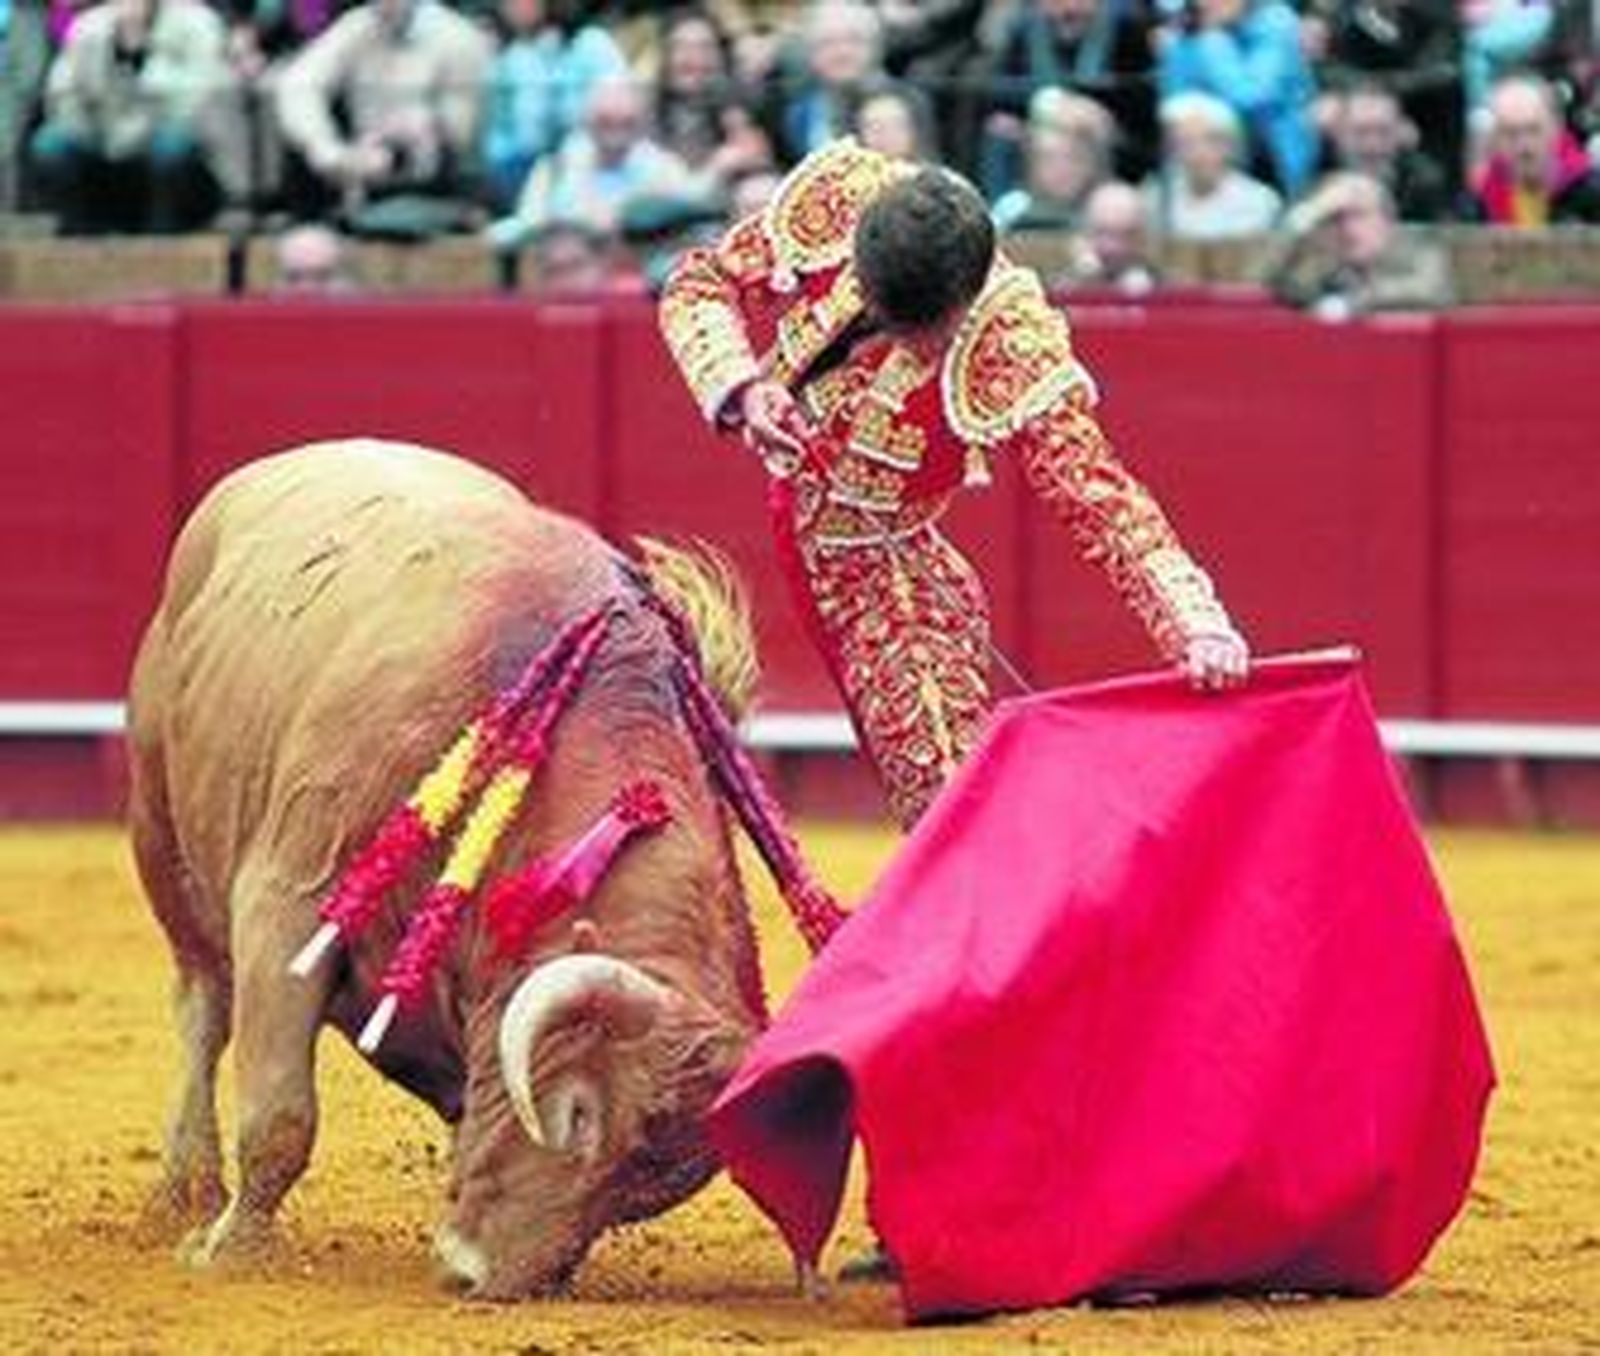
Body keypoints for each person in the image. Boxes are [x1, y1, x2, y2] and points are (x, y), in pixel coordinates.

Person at [659, 138, 1249, 831]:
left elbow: (1101, 496)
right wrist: (747, 388)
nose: (902, 345)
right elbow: (700, 281)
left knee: (948, 804)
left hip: (891, 572)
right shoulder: (843, 193)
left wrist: (1197, 625)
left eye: (924, 335)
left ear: (967, 302)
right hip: (819, 537)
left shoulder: (1012, 339)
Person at [274, 0, 492, 216]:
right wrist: (322, 145)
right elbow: (298, 84)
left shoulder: (460, 37)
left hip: (437, 183)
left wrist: (405, 141)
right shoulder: (358, 24)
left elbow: (459, 136)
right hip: (365, 174)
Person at [28, 0, 228, 232]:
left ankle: (164, 233)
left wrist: (141, 61)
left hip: (168, 152)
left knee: (173, 147)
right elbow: (61, 95)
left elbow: (204, 98)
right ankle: (80, 231)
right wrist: (113, 56)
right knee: (50, 144)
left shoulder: (197, 22)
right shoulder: (89, 26)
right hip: (104, 144)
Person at [487, 76, 701, 248]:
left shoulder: (667, 169)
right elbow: (522, 230)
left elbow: (693, 233)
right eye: (605, 121)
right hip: (568, 288)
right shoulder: (554, 168)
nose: (616, 132)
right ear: (587, 121)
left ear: (642, 122)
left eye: (626, 122)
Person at [480, 0, 628, 211]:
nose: (515, 5)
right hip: (527, 173)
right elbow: (499, 139)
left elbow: (621, 108)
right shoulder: (510, 59)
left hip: (598, 162)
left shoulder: (592, 44)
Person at [1157, 0, 1316, 196]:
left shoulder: (1275, 20)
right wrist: (1178, 46)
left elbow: (1251, 96)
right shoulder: (1193, 27)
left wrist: (1211, 40)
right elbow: (1173, 105)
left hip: (1275, 152)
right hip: (1208, 154)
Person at [1265, 170, 1454, 318]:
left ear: (1386, 219)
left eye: (1358, 215)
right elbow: (1267, 284)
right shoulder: (1326, 267)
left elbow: (1431, 290)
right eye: (1336, 218)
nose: (1347, 228)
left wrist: (1352, 303)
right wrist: (1306, 216)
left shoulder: (1417, 247)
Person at [1466, 74, 1600, 225]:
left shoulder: (1591, 193)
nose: (1524, 145)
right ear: (1495, 140)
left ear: (1556, 128)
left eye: (1534, 130)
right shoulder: (1480, 204)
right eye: (1511, 134)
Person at [1146, 90, 1281, 239]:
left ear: (1229, 145)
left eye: (1210, 141)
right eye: (1184, 143)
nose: (1197, 154)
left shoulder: (1259, 200)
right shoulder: (1157, 194)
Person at [1324, 82, 1451, 222]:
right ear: (1339, 135)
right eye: (1360, 132)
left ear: (1400, 133)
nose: (1372, 145)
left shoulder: (1423, 183)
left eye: (1383, 132)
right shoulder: (1315, 174)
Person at [991, 87, 1112, 231]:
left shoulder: (1109, 212)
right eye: (1048, 159)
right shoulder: (1012, 210)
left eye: (1073, 158)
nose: (1062, 169)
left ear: (1092, 164)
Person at [1071, 179, 1161, 294]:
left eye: (1127, 235)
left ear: (1144, 239)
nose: (1113, 247)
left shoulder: (1171, 290)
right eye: (1102, 233)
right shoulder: (1063, 289)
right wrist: (1083, 281)